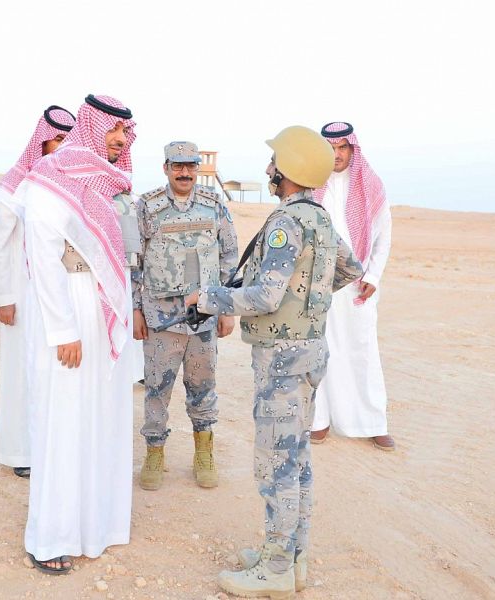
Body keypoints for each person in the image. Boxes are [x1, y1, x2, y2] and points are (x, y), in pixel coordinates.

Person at [186, 126, 363, 598]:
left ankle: (277, 567)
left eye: (274, 162)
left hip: (283, 360)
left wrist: (207, 299)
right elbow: (351, 269)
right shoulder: (320, 218)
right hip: (309, 352)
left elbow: (265, 296)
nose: (268, 169)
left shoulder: (288, 222)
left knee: (276, 464)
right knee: (297, 459)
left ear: (288, 169)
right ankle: (291, 557)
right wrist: (308, 299)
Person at [18, 94, 136, 574]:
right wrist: (63, 329)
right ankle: (51, 536)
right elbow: (43, 257)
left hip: (103, 308)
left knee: (102, 417)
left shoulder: (109, 181)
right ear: (92, 126)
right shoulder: (53, 175)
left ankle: (97, 526)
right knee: (63, 422)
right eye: (113, 130)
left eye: (125, 132)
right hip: (68, 306)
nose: (121, 140)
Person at [132, 141, 238, 490]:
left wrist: (227, 307)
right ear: (165, 168)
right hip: (161, 319)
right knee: (157, 389)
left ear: (197, 168)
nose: (184, 172)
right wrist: (135, 309)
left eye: (191, 166)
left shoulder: (213, 204)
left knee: (203, 388)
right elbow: (134, 261)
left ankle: (204, 452)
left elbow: (229, 256)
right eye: (177, 166)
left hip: (204, 317)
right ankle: (154, 453)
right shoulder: (147, 207)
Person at [0, 105, 76, 478]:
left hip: (61, 295)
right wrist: (3, 297)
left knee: (57, 374)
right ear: (41, 143)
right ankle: (21, 452)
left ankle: (54, 449)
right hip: (23, 298)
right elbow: (0, 247)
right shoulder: (18, 186)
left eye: (68, 140)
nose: (62, 147)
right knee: (21, 373)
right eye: (56, 140)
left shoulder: (71, 185)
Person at [310, 121, 395, 451]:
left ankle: (373, 423)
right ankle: (319, 421)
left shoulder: (370, 185)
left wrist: (373, 276)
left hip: (358, 285)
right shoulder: (310, 183)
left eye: (342, 147)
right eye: (330, 148)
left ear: (352, 149)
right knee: (319, 349)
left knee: (362, 350)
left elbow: (383, 236)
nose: (336, 154)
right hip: (319, 283)